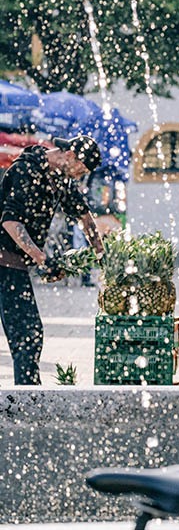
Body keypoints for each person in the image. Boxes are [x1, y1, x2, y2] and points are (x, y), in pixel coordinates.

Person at [0, 135, 105, 385]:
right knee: (28, 334)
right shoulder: (26, 170)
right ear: (69, 155)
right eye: (81, 169)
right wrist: (41, 259)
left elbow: (83, 214)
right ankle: (26, 399)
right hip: (4, 263)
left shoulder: (60, 179)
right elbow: (10, 222)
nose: (80, 176)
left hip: (14, 264)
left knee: (28, 334)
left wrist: (101, 253)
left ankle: (27, 393)